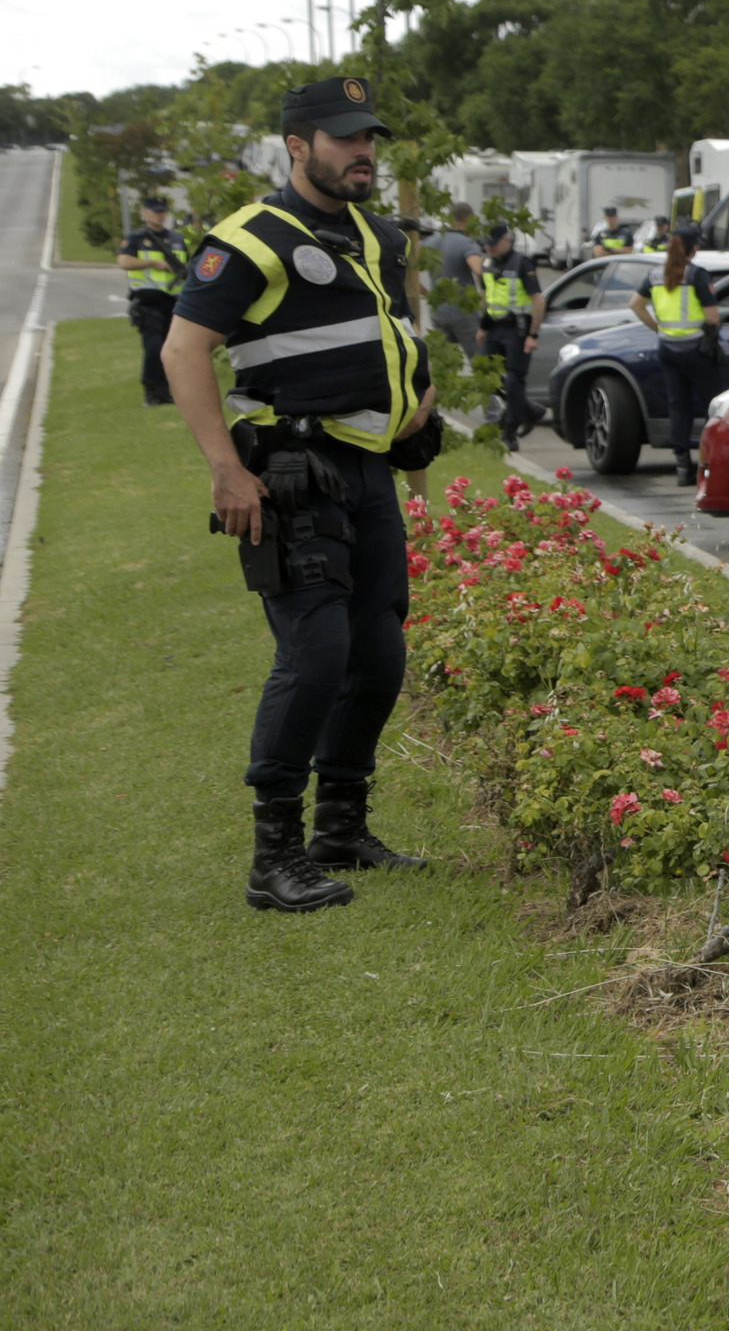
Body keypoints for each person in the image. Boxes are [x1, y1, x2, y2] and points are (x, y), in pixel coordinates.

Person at [160, 76, 439, 914]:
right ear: (297, 144)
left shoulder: (380, 236)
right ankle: (271, 857)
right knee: (313, 655)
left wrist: (417, 417)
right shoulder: (249, 238)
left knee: (380, 656)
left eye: (371, 140)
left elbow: (393, 340)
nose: (364, 153)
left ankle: (339, 828)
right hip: (287, 473)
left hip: (367, 473)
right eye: (346, 138)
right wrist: (224, 469)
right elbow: (183, 351)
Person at [625, 232, 722, 487]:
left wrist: (658, 329)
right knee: (714, 405)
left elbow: (635, 304)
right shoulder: (696, 275)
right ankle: (715, 461)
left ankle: (682, 466)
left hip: (668, 348)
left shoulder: (655, 274)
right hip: (696, 350)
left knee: (678, 406)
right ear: (694, 249)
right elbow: (713, 318)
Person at [474, 225, 544, 451]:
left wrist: (533, 334)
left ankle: (510, 432)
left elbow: (538, 301)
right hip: (494, 327)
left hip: (517, 329)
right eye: (486, 244)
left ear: (507, 240)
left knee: (514, 381)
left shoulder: (522, 263)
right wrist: (483, 326)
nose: (489, 248)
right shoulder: (487, 263)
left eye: (493, 243)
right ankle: (530, 410)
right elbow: (486, 296)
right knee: (487, 376)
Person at [117, 193, 188, 406]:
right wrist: (152, 264)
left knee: (171, 349)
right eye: (155, 212)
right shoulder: (136, 238)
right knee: (153, 346)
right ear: (145, 213)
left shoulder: (176, 239)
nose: (160, 216)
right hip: (148, 299)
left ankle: (167, 391)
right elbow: (124, 261)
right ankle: (151, 391)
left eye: (162, 212)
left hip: (173, 300)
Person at [423, 205, 484, 359]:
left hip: (438, 313)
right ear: (468, 219)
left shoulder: (429, 243)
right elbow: (478, 269)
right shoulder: (466, 243)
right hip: (464, 311)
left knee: (445, 362)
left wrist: (427, 294)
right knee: (479, 359)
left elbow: (407, 272)